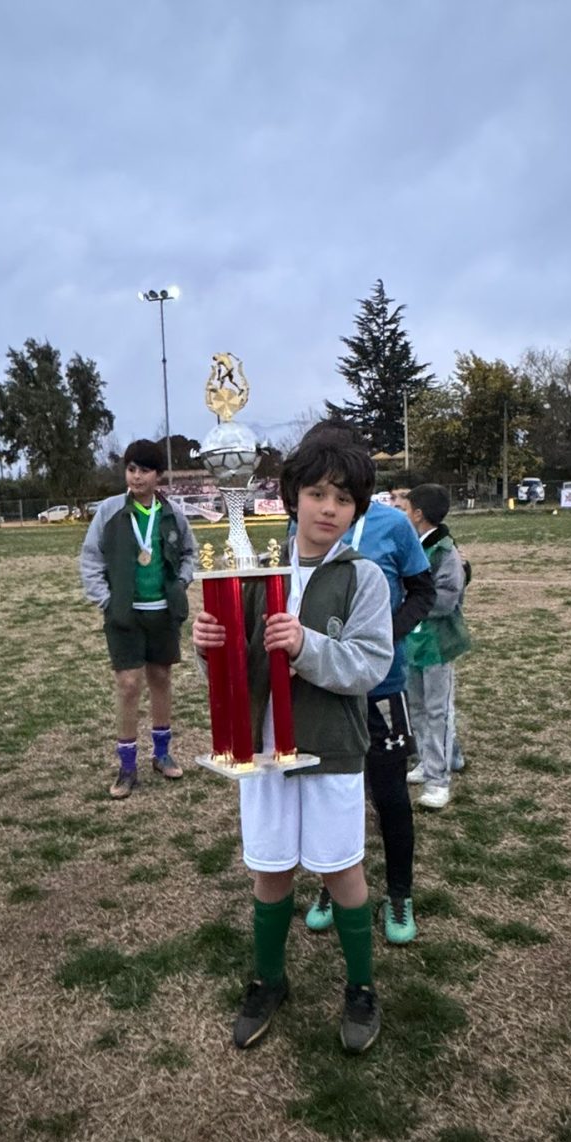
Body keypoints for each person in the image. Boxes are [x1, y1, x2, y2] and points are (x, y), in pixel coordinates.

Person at [192, 436, 393, 1053]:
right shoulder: (253, 567)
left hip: (331, 749)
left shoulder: (364, 578)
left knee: (342, 869)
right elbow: (234, 668)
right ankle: (268, 979)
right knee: (271, 867)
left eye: (342, 498)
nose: (327, 508)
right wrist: (206, 647)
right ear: (291, 498)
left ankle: (360, 987)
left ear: (357, 509)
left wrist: (307, 647)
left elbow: (369, 665)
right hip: (263, 752)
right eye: (316, 494)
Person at [299, 423, 435, 946]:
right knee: (336, 793)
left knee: (389, 794)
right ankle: (333, 882)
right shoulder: (300, 527)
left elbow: (422, 590)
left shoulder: (392, 525)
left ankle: (399, 892)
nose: (330, 498)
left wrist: (387, 632)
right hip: (324, 689)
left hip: (379, 687)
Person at [80, 440, 197, 799]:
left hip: (162, 614)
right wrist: (106, 600)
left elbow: (190, 552)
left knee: (161, 678)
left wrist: (179, 584)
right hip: (124, 616)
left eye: (144, 470)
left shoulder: (171, 512)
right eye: (131, 469)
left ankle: (162, 754)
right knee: (129, 685)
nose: (136, 476)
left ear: (158, 475)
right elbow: (90, 558)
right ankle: (126, 765)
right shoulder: (110, 510)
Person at [403, 485, 471, 810]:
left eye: (408, 508)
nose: (405, 513)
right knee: (416, 708)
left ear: (418, 513)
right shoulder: (412, 546)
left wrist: (408, 603)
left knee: (438, 711)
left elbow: (446, 599)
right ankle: (428, 761)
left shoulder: (445, 551)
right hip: (412, 641)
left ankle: (438, 780)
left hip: (437, 644)